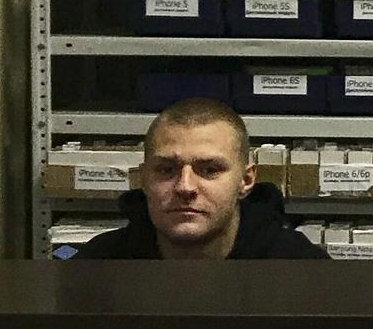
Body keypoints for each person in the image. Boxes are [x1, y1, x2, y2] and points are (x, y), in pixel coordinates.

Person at [74, 98, 325, 260]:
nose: (185, 187)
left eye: (209, 170)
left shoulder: (303, 269)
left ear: (246, 180)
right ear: (143, 178)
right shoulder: (96, 267)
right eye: (166, 170)